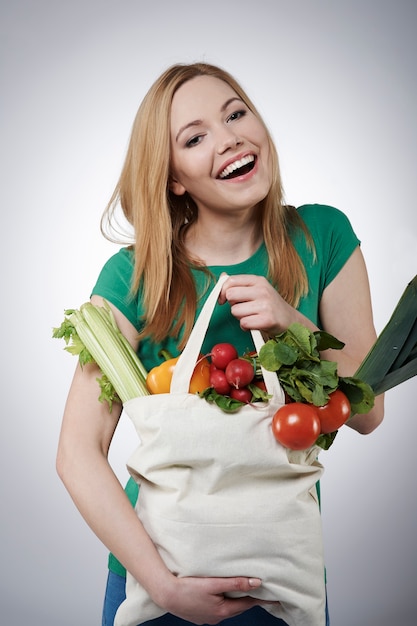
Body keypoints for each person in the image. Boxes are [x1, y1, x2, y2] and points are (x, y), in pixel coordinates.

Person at [56, 62, 384, 626]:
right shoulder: (135, 276)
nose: (229, 136)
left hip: (282, 572)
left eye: (235, 113)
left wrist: (291, 325)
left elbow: (369, 411)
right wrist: (163, 586)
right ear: (175, 177)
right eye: (195, 136)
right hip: (158, 568)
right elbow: (76, 453)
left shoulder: (324, 237)